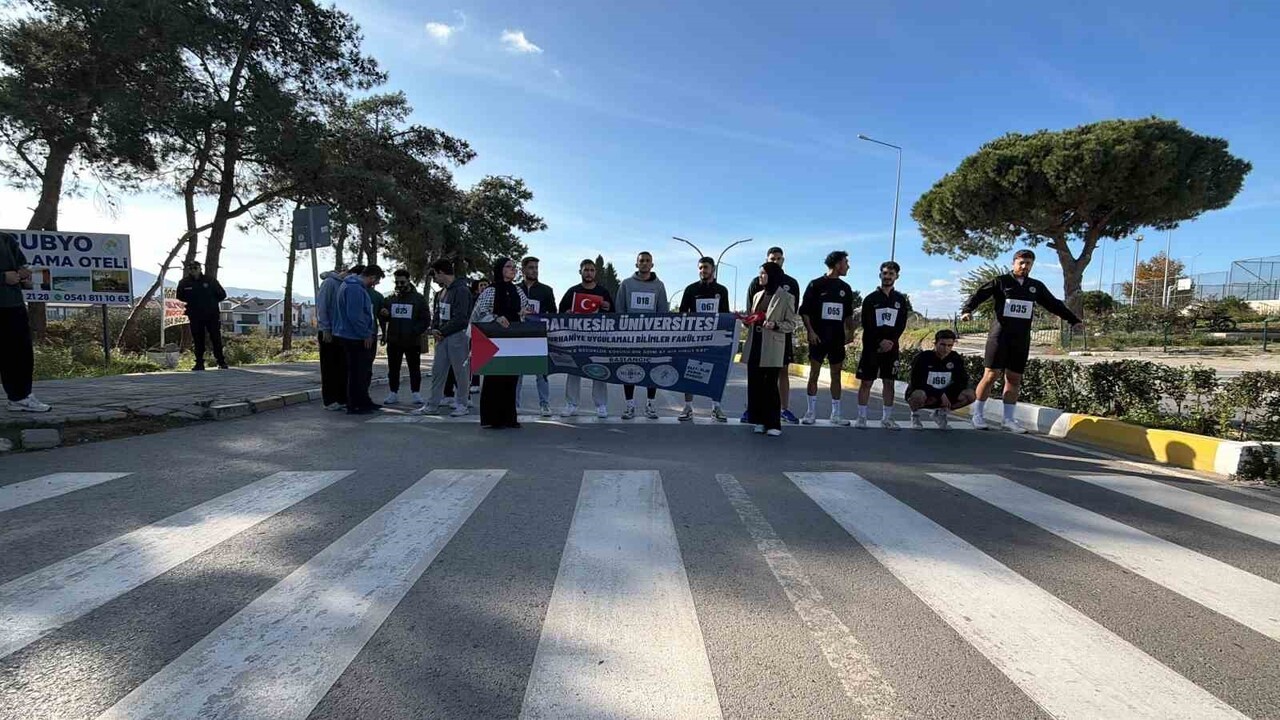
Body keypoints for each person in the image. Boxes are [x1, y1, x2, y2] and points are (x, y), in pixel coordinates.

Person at [960, 249, 1084, 433]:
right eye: (1021, 263)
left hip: (1021, 338)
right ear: (1014, 263)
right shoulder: (1001, 281)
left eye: (1028, 264)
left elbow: (1053, 303)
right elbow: (980, 294)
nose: (1025, 266)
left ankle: (1008, 419)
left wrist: (1073, 320)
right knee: (991, 375)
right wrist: (967, 310)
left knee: (1014, 378)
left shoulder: (1036, 286)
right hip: (999, 336)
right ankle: (977, 414)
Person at [742, 246, 801, 424]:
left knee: (776, 376)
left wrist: (775, 325)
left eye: (778, 258)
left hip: (777, 339)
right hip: (757, 341)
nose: (775, 261)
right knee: (756, 380)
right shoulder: (756, 286)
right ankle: (754, 414)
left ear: (783, 260)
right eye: (772, 258)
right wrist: (747, 319)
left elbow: (791, 318)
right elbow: (751, 311)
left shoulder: (790, 286)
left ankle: (782, 411)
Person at [799, 251, 857, 426]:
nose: (848, 266)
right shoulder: (815, 284)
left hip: (837, 339)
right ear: (837, 264)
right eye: (846, 262)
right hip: (818, 338)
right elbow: (805, 311)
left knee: (836, 375)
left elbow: (848, 315)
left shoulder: (845, 289)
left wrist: (850, 332)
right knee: (814, 374)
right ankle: (810, 412)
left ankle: (836, 414)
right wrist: (810, 331)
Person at [472, 257, 530, 429]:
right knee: (494, 378)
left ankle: (509, 417)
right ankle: (492, 419)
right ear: (500, 269)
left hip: (513, 340)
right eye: (508, 267)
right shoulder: (490, 291)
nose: (513, 270)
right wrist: (496, 318)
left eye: (514, 267)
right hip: (494, 341)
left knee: (511, 378)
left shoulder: (518, 291)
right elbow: (478, 315)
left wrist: (524, 313)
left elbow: (524, 311)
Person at [855, 260, 912, 429]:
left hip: (891, 348)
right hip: (872, 347)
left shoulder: (900, 300)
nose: (887, 277)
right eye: (885, 273)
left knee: (889, 382)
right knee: (866, 382)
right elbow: (867, 323)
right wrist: (879, 341)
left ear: (897, 277)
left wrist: (891, 342)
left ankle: (887, 418)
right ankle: (861, 417)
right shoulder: (870, 299)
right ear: (880, 275)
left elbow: (901, 324)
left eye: (891, 274)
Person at [0, 232, 50, 412]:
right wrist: (3, 278)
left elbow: (21, 266)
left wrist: (24, 275)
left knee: (19, 354)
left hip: (12, 305)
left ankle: (20, 397)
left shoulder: (6, 239)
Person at [617, 250, 669, 420]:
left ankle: (650, 405)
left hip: (651, 338)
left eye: (648, 260)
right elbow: (620, 309)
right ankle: (629, 406)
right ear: (636, 264)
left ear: (652, 265)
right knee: (629, 371)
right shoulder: (626, 284)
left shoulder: (659, 286)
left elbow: (663, 312)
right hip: (629, 338)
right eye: (641, 260)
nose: (645, 263)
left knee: (651, 371)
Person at [558, 258, 613, 418]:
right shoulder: (572, 291)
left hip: (598, 340)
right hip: (576, 339)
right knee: (573, 371)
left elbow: (614, 316)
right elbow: (560, 313)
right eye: (586, 270)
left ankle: (601, 405)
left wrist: (608, 307)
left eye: (591, 270)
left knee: (600, 371)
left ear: (595, 273)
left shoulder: (603, 292)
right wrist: (567, 313)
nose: (589, 273)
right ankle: (571, 404)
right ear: (580, 271)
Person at [678, 256, 731, 422]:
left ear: (713, 269)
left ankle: (716, 407)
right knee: (689, 373)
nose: (703, 271)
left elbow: (725, 315)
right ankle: (688, 407)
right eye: (700, 268)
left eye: (706, 268)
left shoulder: (722, 290)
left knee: (716, 374)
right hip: (694, 340)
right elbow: (682, 314)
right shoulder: (690, 289)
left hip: (715, 340)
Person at [419, 259, 473, 417]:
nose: (434, 278)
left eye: (434, 274)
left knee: (461, 372)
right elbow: (436, 314)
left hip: (458, 336)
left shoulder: (462, 290)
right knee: (438, 371)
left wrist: (441, 331)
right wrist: (436, 329)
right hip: (442, 338)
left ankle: (462, 404)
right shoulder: (440, 293)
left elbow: (462, 318)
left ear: (441, 272)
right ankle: (432, 404)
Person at [334, 265, 382, 415]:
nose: (374, 285)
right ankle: (355, 404)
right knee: (357, 372)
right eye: (376, 281)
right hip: (355, 337)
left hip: (352, 335)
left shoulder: (352, 286)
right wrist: (366, 334)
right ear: (372, 277)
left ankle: (363, 401)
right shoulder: (354, 288)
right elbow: (355, 315)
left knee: (362, 372)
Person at [906, 329, 975, 430]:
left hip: (946, 393)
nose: (946, 349)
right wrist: (939, 393)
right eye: (942, 345)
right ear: (935, 343)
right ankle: (915, 416)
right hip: (926, 393)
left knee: (970, 395)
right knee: (918, 395)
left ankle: (940, 413)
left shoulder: (955, 358)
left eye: (949, 346)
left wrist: (945, 394)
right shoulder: (923, 357)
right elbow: (916, 382)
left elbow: (961, 381)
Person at [382, 269, 430, 406]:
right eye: (397, 282)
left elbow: (425, 319)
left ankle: (416, 393)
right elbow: (384, 316)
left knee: (414, 368)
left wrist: (414, 331)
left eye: (402, 282)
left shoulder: (419, 299)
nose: (399, 284)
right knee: (393, 368)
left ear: (409, 280)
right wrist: (385, 314)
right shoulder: (390, 298)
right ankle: (393, 393)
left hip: (412, 340)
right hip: (394, 340)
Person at [516, 256, 557, 417]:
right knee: (517, 373)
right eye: (531, 267)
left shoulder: (546, 290)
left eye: (536, 268)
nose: (534, 270)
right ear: (523, 270)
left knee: (541, 373)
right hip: (518, 337)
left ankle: (545, 404)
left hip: (539, 336)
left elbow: (553, 313)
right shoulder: (515, 289)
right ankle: (515, 405)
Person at [176, 259, 229, 371]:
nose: (193, 270)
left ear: (200, 269)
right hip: (195, 315)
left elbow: (222, 295)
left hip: (211, 315)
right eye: (190, 268)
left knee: (215, 338)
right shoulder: (184, 283)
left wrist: (210, 302)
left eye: (195, 268)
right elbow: (180, 296)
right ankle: (199, 363)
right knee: (198, 339)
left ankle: (221, 361)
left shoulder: (210, 281)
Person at [316, 267, 349, 410]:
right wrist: (325, 329)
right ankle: (329, 400)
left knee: (341, 367)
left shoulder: (344, 285)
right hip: (329, 332)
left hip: (341, 332)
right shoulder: (329, 283)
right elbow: (322, 307)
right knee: (329, 367)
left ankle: (341, 398)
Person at [468, 278, 489, 394]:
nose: (483, 287)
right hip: (475, 332)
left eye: (486, 285)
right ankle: (474, 383)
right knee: (475, 358)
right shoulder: (472, 299)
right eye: (481, 285)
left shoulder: (493, 300)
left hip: (489, 333)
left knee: (489, 359)